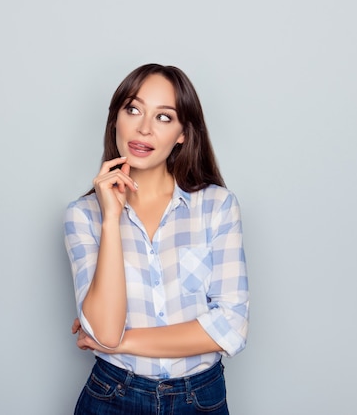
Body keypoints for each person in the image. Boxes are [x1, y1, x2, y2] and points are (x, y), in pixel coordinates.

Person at [63, 63, 249, 414]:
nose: (144, 128)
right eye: (133, 110)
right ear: (115, 119)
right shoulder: (83, 215)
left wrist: (120, 344)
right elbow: (105, 329)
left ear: (182, 133)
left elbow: (231, 326)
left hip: (200, 399)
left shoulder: (216, 206)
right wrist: (112, 219)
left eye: (164, 117)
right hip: (111, 395)